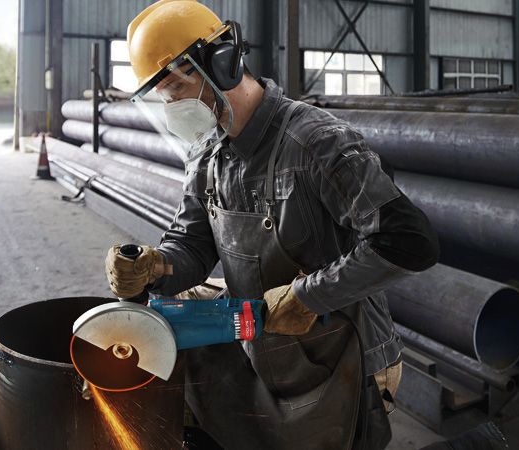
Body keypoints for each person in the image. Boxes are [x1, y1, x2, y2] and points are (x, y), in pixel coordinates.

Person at [106, 1, 441, 448]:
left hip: (345, 357)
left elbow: (410, 241)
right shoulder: (207, 153)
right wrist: (157, 267)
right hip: (266, 345)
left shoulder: (314, 141)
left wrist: (308, 296)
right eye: (164, 100)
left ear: (220, 64)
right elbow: (194, 244)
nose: (173, 110)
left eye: (175, 92)